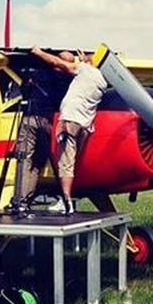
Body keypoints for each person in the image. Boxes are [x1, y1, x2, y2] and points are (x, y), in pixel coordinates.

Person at [31, 47, 109, 214]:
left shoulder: (85, 71)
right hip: (85, 125)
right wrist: (83, 60)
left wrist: (38, 52)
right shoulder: (102, 80)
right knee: (73, 163)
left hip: (70, 122)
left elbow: (57, 62)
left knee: (65, 163)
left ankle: (65, 201)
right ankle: (71, 196)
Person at [5, 64, 58, 215]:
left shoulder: (32, 78)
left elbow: (23, 92)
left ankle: (19, 200)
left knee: (24, 158)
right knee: (37, 163)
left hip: (31, 119)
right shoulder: (58, 78)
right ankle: (26, 199)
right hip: (47, 123)